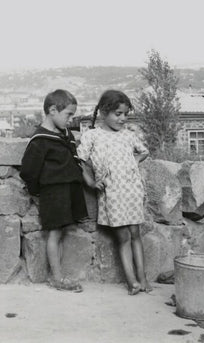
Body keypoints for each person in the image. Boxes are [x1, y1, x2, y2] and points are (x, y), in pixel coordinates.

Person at [77, 90, 151, 295]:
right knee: (123, 237)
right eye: (118, 114)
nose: (123, 118)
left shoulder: (129, 135)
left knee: (136, 233)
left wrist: (133, 164)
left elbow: (144, 151)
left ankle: (143, 279)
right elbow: (80, 160)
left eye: (125, 114)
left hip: (132, 190)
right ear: (103, 112)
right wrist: (91, 182)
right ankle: (132, 281)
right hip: (112, 194)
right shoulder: (92, 135)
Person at [20, 89, 87, 292]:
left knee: (61, 232)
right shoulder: (40, 140)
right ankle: (57, 278)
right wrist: (38, 192)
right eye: (68, 114)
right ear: (52, 110)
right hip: (53, 193)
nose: (71, 119)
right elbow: (29, 171)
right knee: (54, 234)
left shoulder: (66, 135)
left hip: (68, 191)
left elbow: (76, 161)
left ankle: (58, 275)